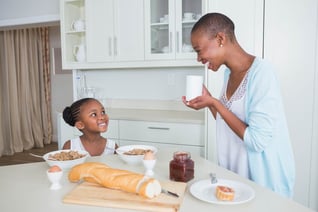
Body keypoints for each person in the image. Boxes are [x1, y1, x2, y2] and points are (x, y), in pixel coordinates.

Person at [182, 13, 295, 198]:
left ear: (220, 38)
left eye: (198, 50)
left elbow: (256, 140)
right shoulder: (229, 75)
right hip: (237, 179)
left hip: (265, 184)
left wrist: (215, 103)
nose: (198, 58)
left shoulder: (262, 74)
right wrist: (210, 102)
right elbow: (230, 125)